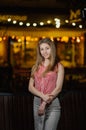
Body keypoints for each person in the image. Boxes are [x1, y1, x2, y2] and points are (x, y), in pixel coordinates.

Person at [28, 37, 64, 130]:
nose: (45, 52)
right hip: (37, 103)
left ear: (52, 48)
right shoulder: (35, 66)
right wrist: (42, 96)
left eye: (47, 48)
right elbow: (30, 87)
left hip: (53, 104)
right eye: (42, 49)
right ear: (39, 51)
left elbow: (58, 88)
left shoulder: (59, 66)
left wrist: (44, 102)